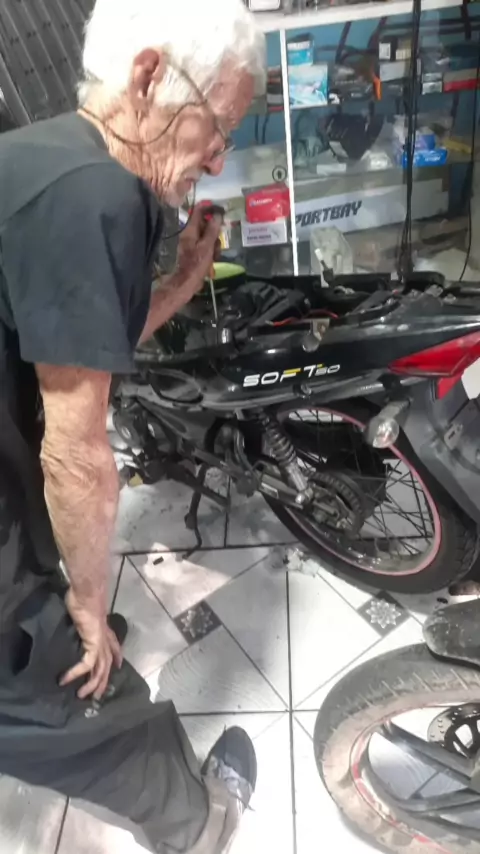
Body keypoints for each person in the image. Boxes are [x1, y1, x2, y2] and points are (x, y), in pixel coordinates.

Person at [0, 0, 265, 852]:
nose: (219, 157)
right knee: (67, 683)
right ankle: (199, 823)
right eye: (217, 125)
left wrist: (182, 281)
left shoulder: (52, 154)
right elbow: (76, 455)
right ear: (149, 76)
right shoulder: (95, 196)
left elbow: (82, 343)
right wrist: (84, 603)